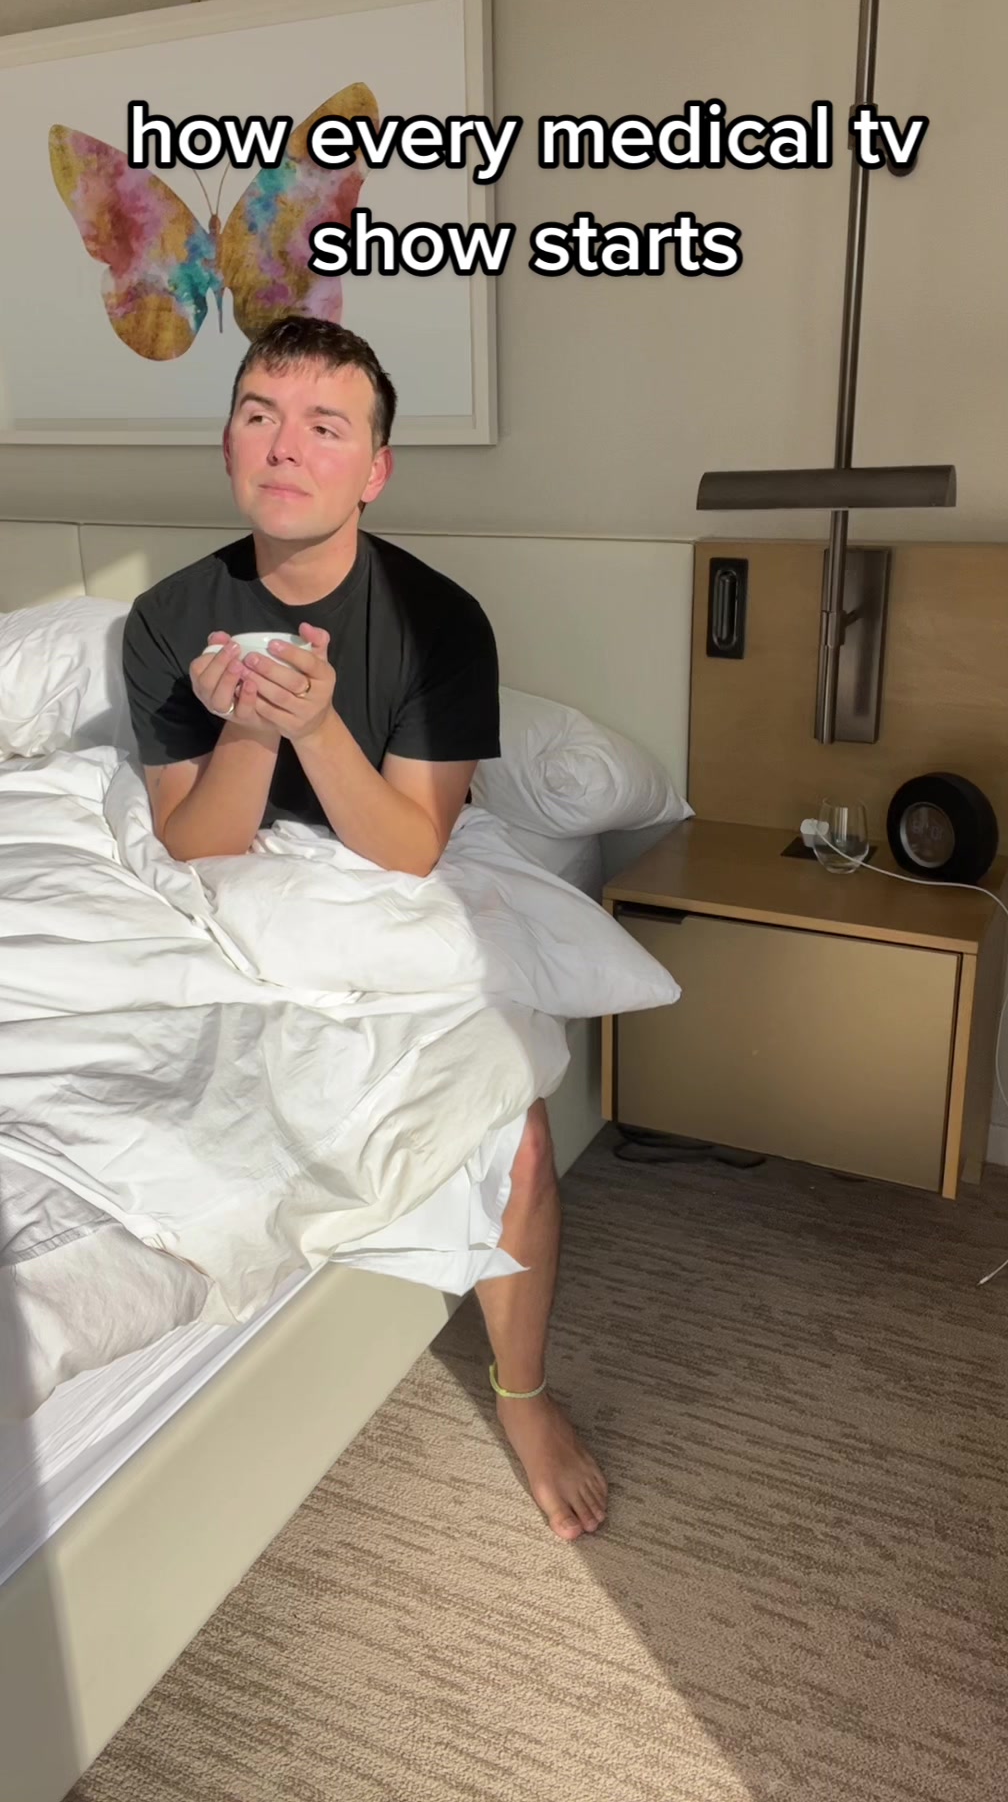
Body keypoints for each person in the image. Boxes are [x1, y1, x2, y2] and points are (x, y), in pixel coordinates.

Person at [122, 314, 608, 1542]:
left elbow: (412, 846)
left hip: (390, 846)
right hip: (248, 867)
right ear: (228, 444)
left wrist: (318, 724)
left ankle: (523, 1393)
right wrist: (247, 728)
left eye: (324, 426)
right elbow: (194, 843)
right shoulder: (169, 620)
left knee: (514, 1122)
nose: (285, 446)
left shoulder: (440, 622)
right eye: (258, 415)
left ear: (374, 469)